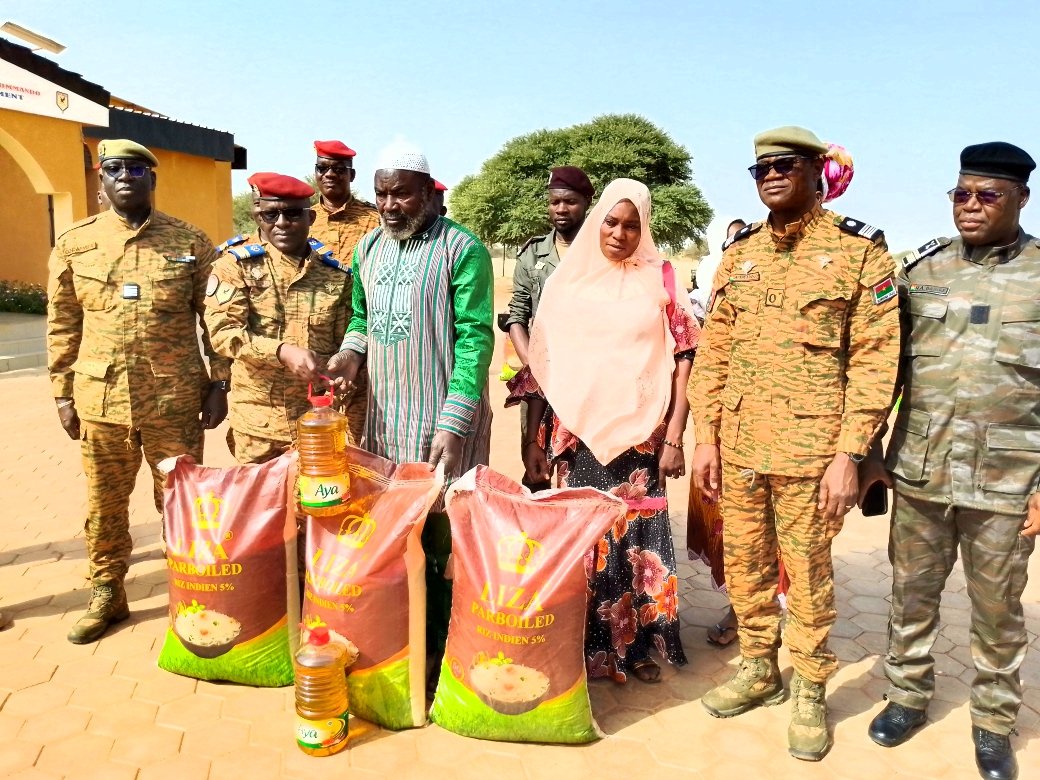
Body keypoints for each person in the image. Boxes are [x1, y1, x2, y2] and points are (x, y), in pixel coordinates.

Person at [689, 126, 900, 760]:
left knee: (807, 573)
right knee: (746, 564)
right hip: (742, 445)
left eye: (785, 166)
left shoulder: (860, 252)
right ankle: (759, 665)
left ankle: (809, 685)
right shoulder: (740, 253)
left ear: (816, 172)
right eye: (760, 171)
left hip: (814, 454)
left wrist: (850, 455)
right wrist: (706, 438)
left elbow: (875, 360)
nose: (771, 177)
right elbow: (714, 351)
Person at [862, 142, 1038, 780]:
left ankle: (993, 723)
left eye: (986, 195)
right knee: (911, 595)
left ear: (1020, 197)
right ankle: (906, 696)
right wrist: (873, 454)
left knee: (998, 611)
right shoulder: (924, 272)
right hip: (920, 470)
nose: (970, 206)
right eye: (960, 194)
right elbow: (884, 370)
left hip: (1009, 480)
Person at [511, 178, 698, 684]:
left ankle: (634, 647)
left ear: (646, 227)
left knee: (634, 534)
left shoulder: (660, 278)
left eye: (632, 224)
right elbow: (544, 369)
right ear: (597, 223)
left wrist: (676, 435)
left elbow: (683, 359)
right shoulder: (568, 282)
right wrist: (535, 439)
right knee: (583, 535)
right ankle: (582, 643)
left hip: (642, 435)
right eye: (611, 222)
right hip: (577, 433)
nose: (619, 233)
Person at [46, 139, 230, 644]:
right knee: (105, 501)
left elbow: (212, 319)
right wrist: (63, 394)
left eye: (137, 169)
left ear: (153, 179)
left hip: (173, 400)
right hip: (100, 400)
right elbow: (62, 323)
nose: (125, 176)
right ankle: (107, 589)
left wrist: (219, 383)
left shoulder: (190, 241)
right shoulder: (75, 243)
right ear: (101, 180)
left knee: (181, 500)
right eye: (114, 169)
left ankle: (190, 587)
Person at [326, 142, 495, 688]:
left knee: (442, 541)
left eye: (402, 192)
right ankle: (397, 635)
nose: (390, 204)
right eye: (381, 193)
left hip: (442, 425)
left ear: (427, 192)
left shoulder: (461, 249)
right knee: (393, 538)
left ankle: (441, 648)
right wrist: (352, 352)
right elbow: (360, 317)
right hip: (384, 423)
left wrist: (454, 419)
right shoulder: (368, 248)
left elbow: (474, 337)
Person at [204, 172, 352, 465]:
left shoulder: (336, 276)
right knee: (260, 509)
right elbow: (224, 334)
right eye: (271, 214)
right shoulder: (235, 268)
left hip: (317, 423)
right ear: (258, 217)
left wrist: (342, 372)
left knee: (316, 505)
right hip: (257, 427)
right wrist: (281, 351)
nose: (282, 223)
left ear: (310, 217)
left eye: (293, 214)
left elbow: (343, 342)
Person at [503, 166, 594, 490]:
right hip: (541, 381)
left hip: (588, 379)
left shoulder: (601, 250)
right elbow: (517, 314)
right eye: (554, 202)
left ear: (587, 202)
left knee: (582, 468)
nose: (560, 209)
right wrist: (534, 364)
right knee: (537, 467)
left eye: (569, 202)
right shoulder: (533, 255)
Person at [309, 140, 381, 444]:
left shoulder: (375, 221)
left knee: (363, 445)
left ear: (351, 175)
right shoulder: (302, 221)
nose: (330, 175)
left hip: (366, 347)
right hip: (315, 347)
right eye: (322, 168)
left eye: (339, 169)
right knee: (315, 441)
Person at [689, 219, 747, 323]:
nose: (741, 244)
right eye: (734, 239)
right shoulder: (709, 268)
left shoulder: (751, 266)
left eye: (746, 237)